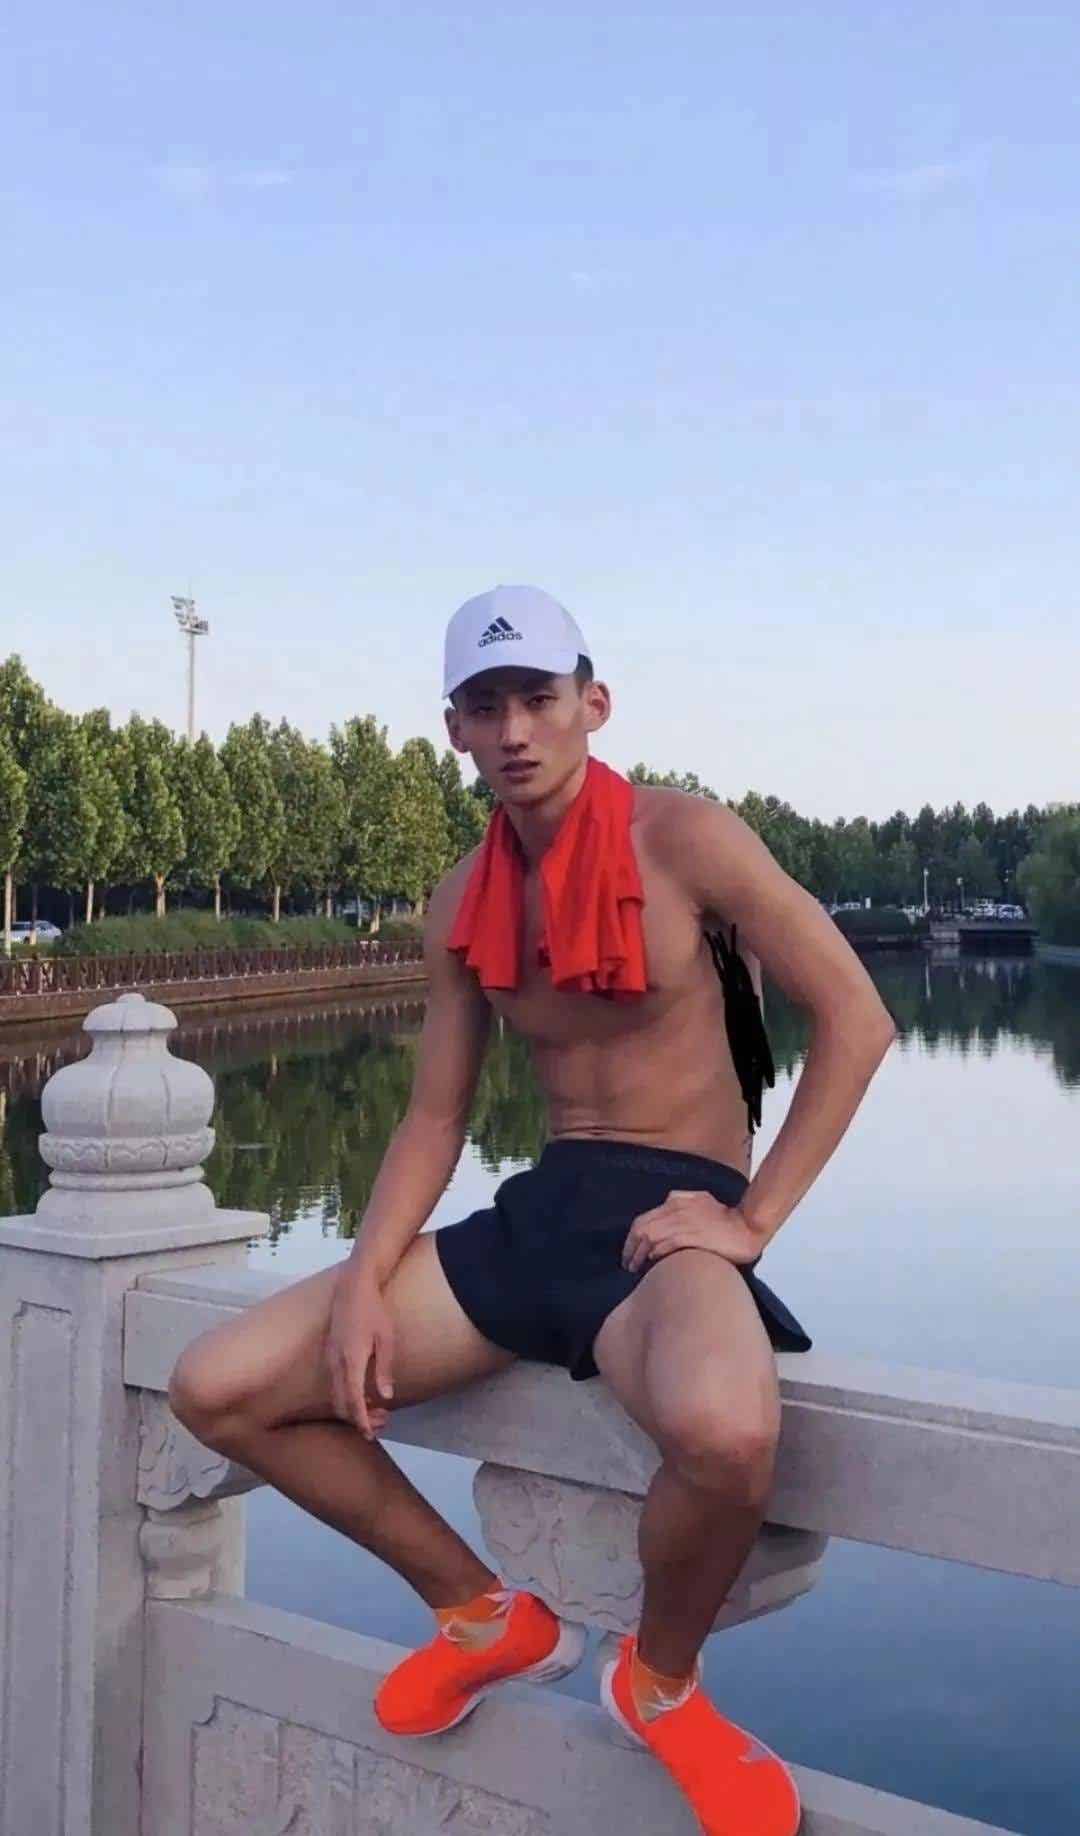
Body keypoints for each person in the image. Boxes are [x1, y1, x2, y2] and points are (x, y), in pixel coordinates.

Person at [169, 584, 896, 1836]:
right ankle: (484, 1615)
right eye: (485, 704)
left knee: (728, 1435)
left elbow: (858, 1020)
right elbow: (434, 1116)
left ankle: (659, 1684)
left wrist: (752, 1221)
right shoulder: (461, 897)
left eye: (537, 698)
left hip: (671, 1221)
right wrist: (363, 1282)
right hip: (543, 1209)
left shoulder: (688, 838)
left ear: (591, 704)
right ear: (453, 727)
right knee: (220, 1386)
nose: (514, 729)